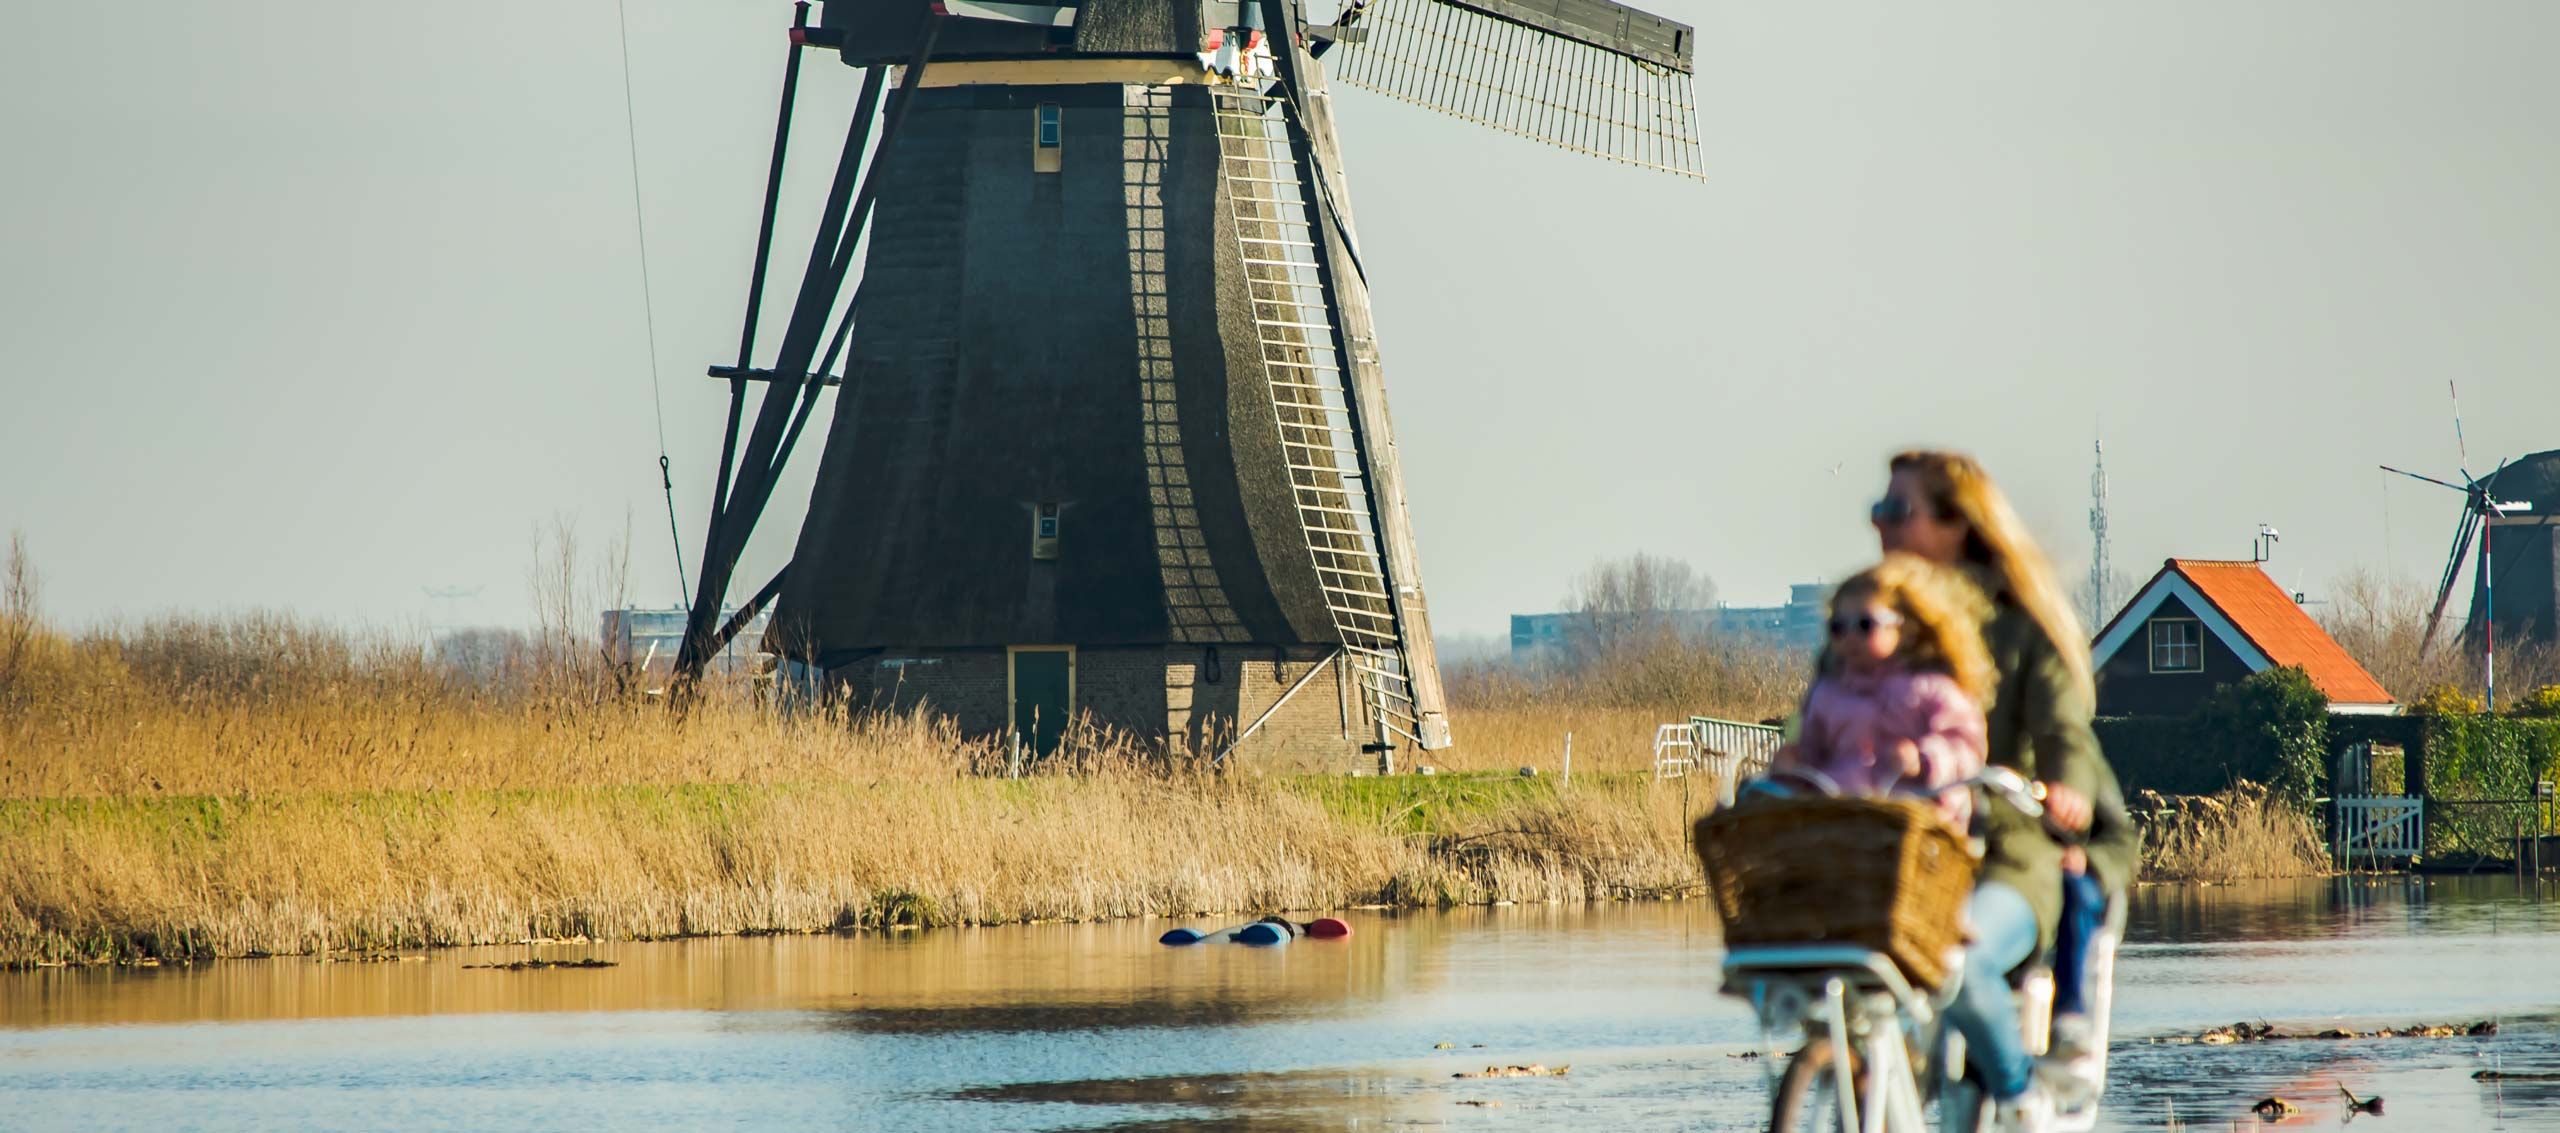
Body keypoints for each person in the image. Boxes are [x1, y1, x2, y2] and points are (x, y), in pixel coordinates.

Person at [1868, 450, 2138, 1133]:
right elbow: (1823, 711)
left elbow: (2065, 731)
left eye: (1898, 510)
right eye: (1880, 508)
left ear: (1956, 524)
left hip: (2012, 861)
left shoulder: (2018, 633)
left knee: (1952, 956)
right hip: (1910, 862)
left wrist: (2066, 788)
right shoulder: (1874, 625)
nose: (1880, 524)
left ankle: (2017, 1093)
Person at [1770, 555, 1993, 830]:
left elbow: (1967, 745)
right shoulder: (1828, 693)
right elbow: (1813, 754)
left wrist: (1924, 759)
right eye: (1838, 627)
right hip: (1842, 821)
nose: (1850, 637)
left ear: (1904, 627)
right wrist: (1792, 766)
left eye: (1865, 625)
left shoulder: (1932, 688)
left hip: (1919, 822)